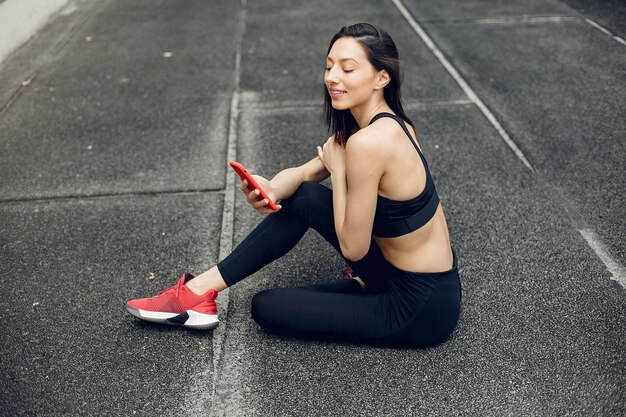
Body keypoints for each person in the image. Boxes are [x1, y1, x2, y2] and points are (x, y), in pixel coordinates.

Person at [126, 23, 461, 348]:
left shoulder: (369, 144)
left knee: (267, 306)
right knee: (305, 198)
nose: (332, 77)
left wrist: (340, 172)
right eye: (329, 66)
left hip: (419, 308)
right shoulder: (385, 124)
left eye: (348, 69)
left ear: (381, 77)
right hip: (404, 276)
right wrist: (270, 188)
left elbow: (354, 248)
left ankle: (197, 293)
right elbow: (305, 175)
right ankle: (197, 292)